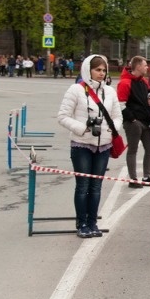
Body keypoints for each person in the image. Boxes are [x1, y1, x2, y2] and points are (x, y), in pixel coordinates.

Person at [57, 55, 123, 238]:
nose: (101, 73)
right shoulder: (76, 90)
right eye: (97, 70)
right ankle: (82, 223)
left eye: (104, 70)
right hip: (82, 145)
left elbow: (118, 116)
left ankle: (93, 222)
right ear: (88, 70)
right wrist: (83, 128)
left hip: (103, 146)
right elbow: (62, 116)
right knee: (83, 186)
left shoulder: (110, 91)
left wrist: (112, 129)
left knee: (96, 187)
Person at [117, 56, 150, 189]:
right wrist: (132, 119)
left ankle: (146, 176)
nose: (147, 68)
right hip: (134, 122)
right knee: (133, 150)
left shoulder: (143, 81)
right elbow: (121, 104)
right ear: (138, 66)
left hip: (146, 120)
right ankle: (133, 178)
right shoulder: (125, 83)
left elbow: (147, 95)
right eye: (145, 65)